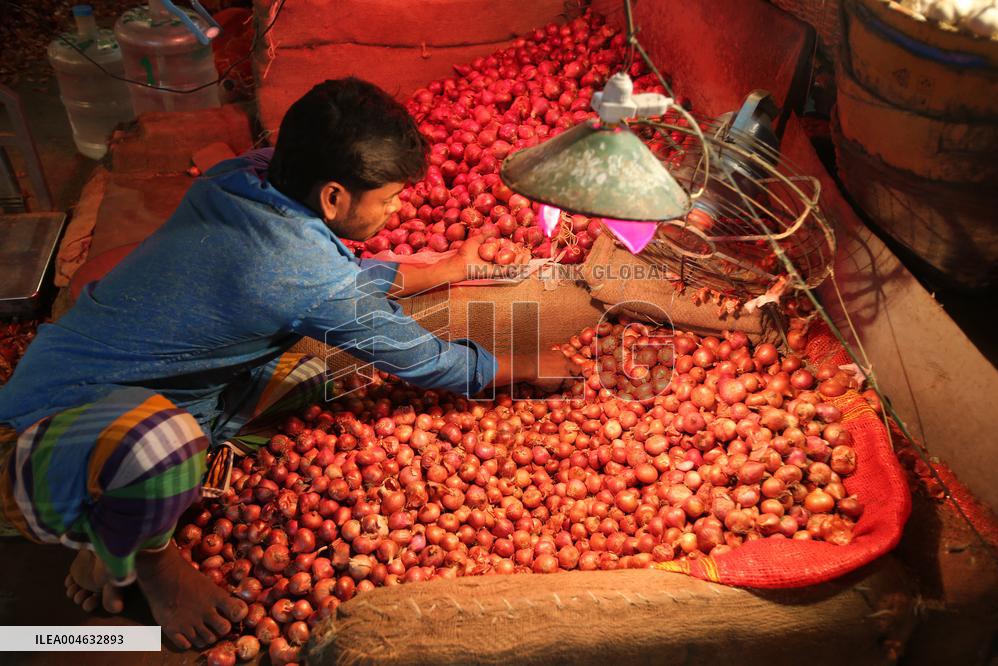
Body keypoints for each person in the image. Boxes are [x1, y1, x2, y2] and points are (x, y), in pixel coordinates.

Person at [0, 78, 574, 650]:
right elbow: (425, 361)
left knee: (321, 375)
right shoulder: (302, 275)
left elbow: (330, 281)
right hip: (46, 430)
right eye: (389, 197)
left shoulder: (244, 176)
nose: (400, 207)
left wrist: (446, 268)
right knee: (164, 446)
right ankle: (156, 570)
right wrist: (521, 364)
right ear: (332, 198)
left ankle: (112, 531)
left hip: (144, 385)